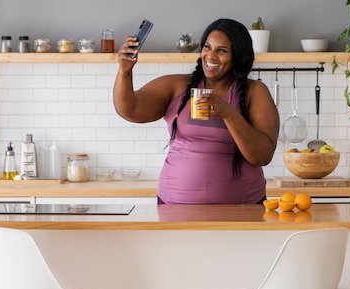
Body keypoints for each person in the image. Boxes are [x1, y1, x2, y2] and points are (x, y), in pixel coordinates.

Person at [113, 18, 280, 204]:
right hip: (175, 208)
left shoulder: (255, 92)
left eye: (222, 51)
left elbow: (262, 156)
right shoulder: (176, 86)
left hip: (242, 210)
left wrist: (229, 113)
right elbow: (129, 109)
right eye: (207, 47)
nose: (211, 56)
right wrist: (124, 71)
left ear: (238, 56)